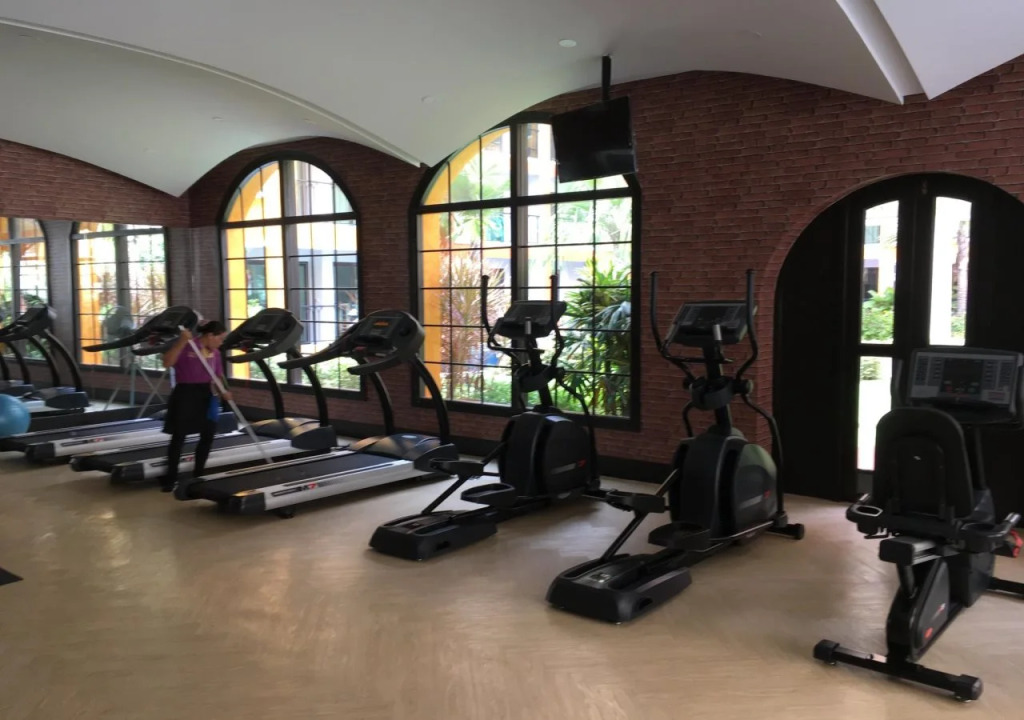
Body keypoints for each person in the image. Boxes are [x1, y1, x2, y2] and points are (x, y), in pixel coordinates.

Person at [159, 320, 231, 495]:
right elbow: (167, 363)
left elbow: (217, 376)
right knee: (179, 437)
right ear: (210, 335)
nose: (221, 342)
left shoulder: (215, 353)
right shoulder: (188, 346)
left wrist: (224, 391)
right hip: (185, 394)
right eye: (220, 338)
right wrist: (182, 340)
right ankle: (171, 478)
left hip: (206, 395)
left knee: (208, 435)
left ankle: (198, 475)